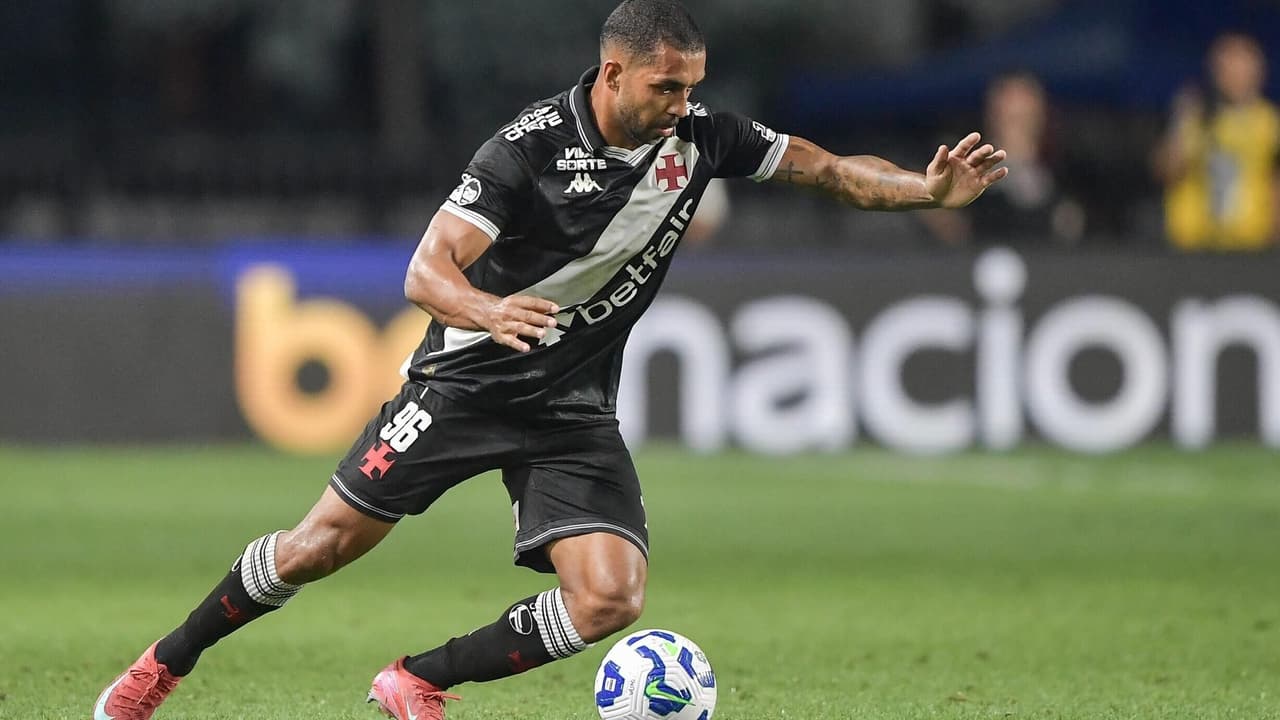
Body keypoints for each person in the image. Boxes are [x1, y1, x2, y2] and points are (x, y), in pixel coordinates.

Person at [92, 2, 1007, 719]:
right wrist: (489, 310)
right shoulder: (526, 150)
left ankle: (416, 680)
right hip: (466, 385)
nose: (682, 106)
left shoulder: (700, 140)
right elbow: (425, 270)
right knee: (316, 548)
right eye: (666, 88)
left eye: (692, 88)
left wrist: (924, 191)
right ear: (613, 73)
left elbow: (829, 169)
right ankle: (162, 666)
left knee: (611, 598)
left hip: (570, 407)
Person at [1155, 32, 1280, 251]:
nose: (1234, 74)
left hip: (1251, 246)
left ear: (1258, 71)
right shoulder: (1195, 118)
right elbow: (1166, 172)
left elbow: (1275, 183)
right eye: (1227, 66)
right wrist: (1180, 125)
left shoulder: (1269, 122)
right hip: (1192, 247)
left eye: (1241, 66)